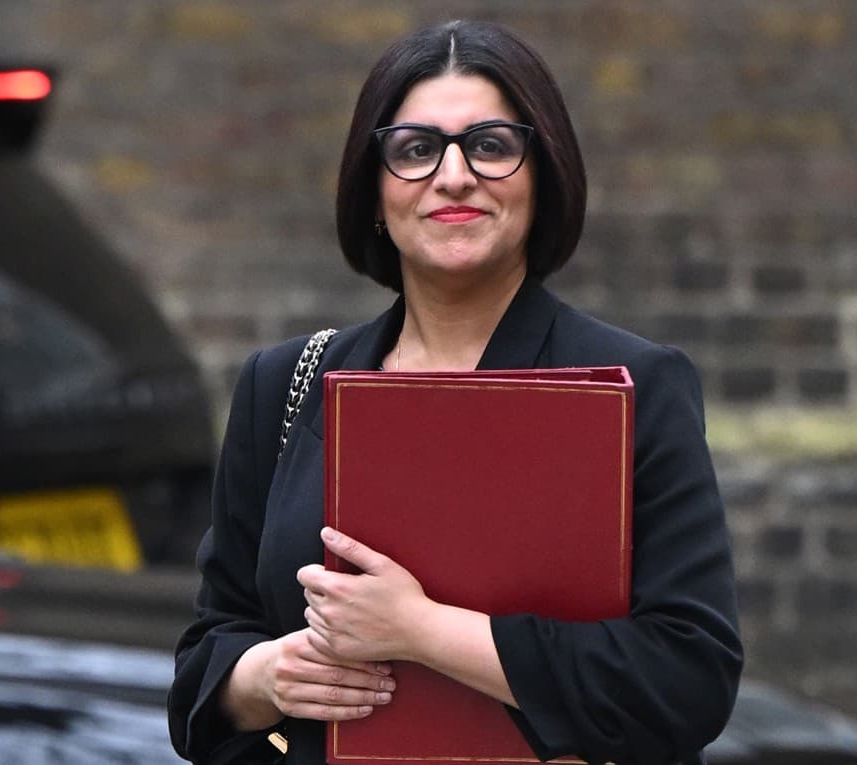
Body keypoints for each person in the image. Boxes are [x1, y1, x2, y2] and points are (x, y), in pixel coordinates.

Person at [169, 19, 742, 765]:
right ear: (374, 191)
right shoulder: (283, 385)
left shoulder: (634, 386)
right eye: (415, 149)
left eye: (491, 145)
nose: (453, 174)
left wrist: (420, 629)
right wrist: (270, 675)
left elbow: (689, 676)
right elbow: (203, 665)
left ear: (543, 177)